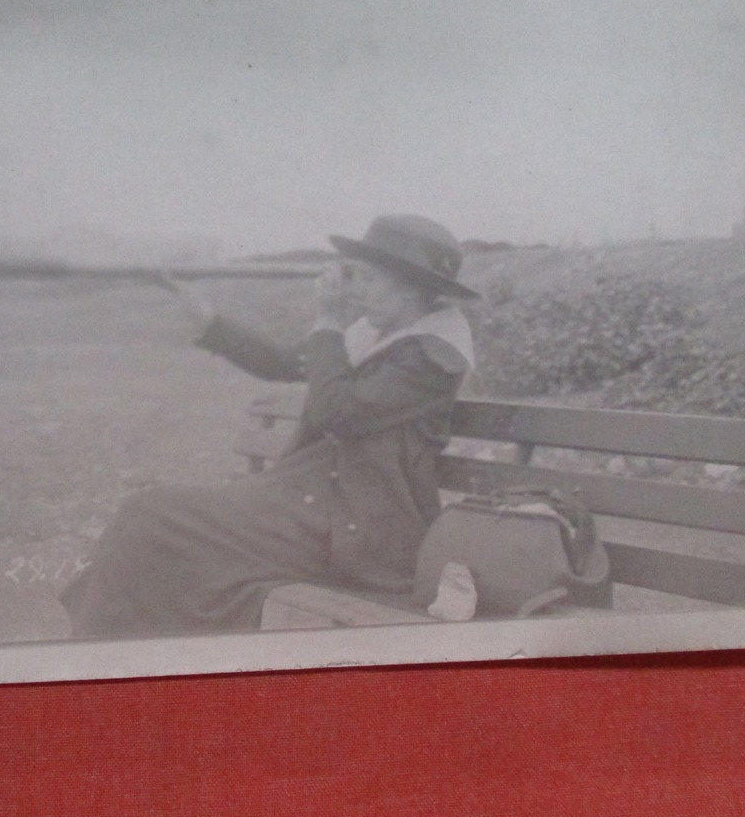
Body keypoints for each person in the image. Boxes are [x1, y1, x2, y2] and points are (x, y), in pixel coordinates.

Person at [61, 214, 479, 638]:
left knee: (150, 517)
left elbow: (341, 411)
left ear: (414, 289)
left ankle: (97, 655)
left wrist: (329, 323)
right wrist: (209, 322)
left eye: (369, 279)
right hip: (316, 505)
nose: (357, 290)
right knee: (151, 519)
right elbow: (282, 363)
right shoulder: (378, 335)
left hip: (362, 530)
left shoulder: (431, 358)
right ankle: (112, 653)